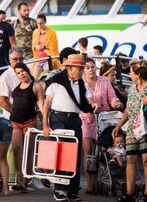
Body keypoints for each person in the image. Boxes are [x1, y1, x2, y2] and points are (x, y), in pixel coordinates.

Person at [42, 54, 101, 201]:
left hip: (75, 119)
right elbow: (46, 104)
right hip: (58, 118)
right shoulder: (56, 81)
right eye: (79, 68)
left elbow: (88, 98)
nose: (81, 71)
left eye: (82, 68)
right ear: (69, 67)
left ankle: (72, 190)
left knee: (75, 154)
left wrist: (93, 104)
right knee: (62, 152)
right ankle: (60, 189)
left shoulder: (81, 83)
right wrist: (45, 124)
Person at [112, 60, 147, 202]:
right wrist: (119, 125)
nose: (129, 74)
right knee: (130, 159)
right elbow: (127, 109)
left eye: (132, 72)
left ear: (138, 74)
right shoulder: (131, 89)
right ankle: (129, 194)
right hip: (132, 129)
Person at [81, 58, 122, 194]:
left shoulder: (104, 81)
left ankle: (112, 180)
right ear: (83, 70)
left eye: (93, 67)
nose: (91, 69)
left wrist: (116, 103)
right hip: (86, 120)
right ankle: (90, 184)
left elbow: (112, 97)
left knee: (107, 150)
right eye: (87, 67)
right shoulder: (80, 83)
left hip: (104, 120)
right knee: (88, 150)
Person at [10, 63, 44, 192]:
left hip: (30, 121)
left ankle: (25, 180)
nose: (21, 74)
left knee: (28, 152)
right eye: (18, 73)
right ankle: (20, 179)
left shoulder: (36, 86)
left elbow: (41, 104)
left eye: (23, 71)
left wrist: (46, 122)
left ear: (27, 71)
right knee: (16, 149)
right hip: (16, 122)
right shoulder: (17, 86)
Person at [0, 47, 24, 117]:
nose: (18, 62)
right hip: (14, 118)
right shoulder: (4, 77)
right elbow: (2, 101)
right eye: (15, 59)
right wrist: (17, 114)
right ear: (9, 59)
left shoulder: (27, 72)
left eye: (20, 59)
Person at [32, 12, 59, 78]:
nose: (39, 25)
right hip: (38, 59)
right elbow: (33, 45)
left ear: (45, 22)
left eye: (41, 23)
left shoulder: (51, 32)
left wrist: (43, 47)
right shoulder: (35, 32)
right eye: (38, 23)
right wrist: (36, 47)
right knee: (34, 79)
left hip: (48, 59)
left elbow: (54, 46)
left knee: (49, 78)